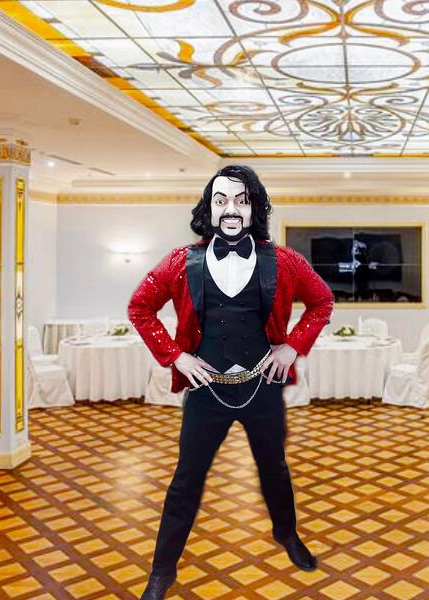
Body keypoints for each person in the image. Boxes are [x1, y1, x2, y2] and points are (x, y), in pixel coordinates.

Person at [128, 165, 334, 600]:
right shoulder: (180, 261)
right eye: (221, 200)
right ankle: (162, 570)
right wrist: (177, 356)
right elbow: (140, 307)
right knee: (185, 480)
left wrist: (292, 346)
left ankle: (287, 533)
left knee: (274, 468)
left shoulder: (285, 261)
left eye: (242, 200)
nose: (231, 209)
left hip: (263, 387)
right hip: (207, 393)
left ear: (255, 208)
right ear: (209, 209)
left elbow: (322, 301)